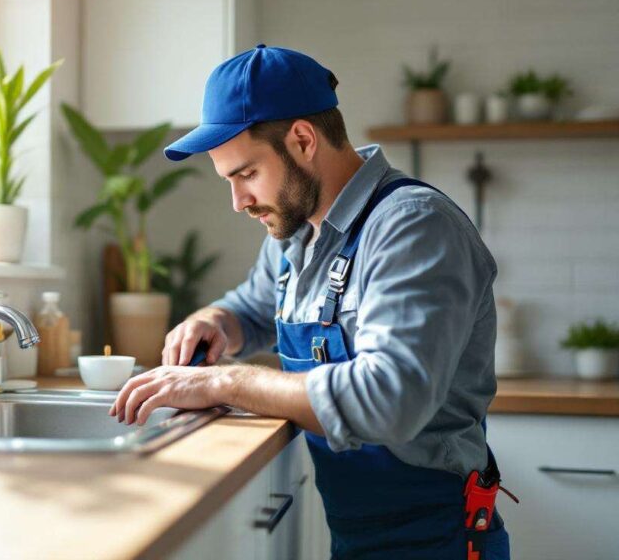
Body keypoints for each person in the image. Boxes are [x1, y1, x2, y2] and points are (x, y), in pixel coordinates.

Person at [108, 45, 511, 559]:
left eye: (246, 174)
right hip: (356, 536)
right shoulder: (294, 233)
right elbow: (253, 308)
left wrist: (223, 379)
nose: (238, 202)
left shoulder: (412, 226)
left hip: (438, 541)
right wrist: (215, 321)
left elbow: (389, 400)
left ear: (302, 139)